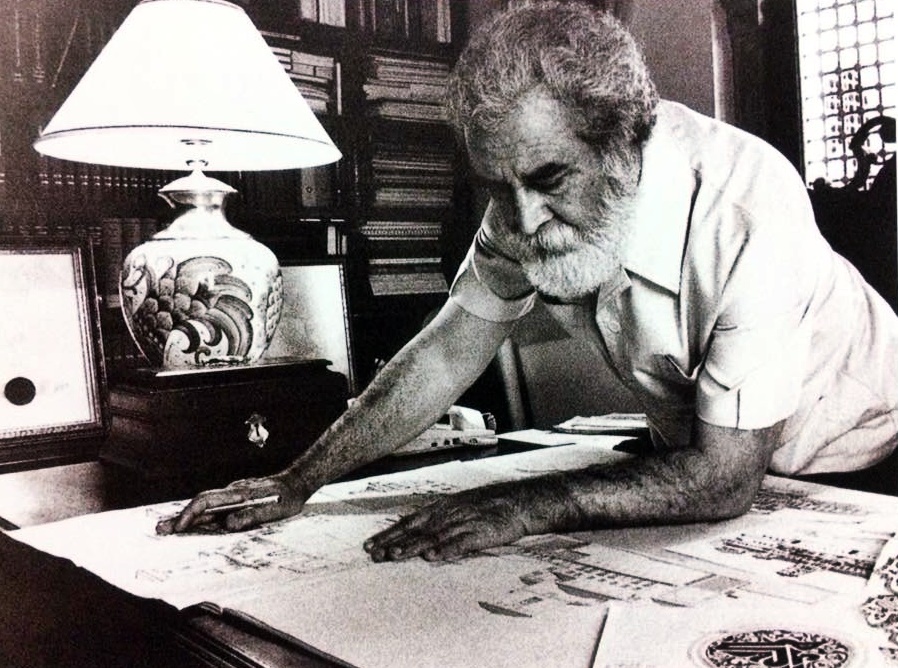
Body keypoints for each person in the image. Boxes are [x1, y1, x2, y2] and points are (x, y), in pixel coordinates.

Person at [159, 2, 898, 560]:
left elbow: (724, 480)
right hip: (709, 467)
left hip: (858, 470)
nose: (523, 219)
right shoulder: (522, 200)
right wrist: (297, 480)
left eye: (550, 180)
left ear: (626, 143)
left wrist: (522, 506)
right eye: (496, 185)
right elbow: (446, 351)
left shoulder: (746, 206)